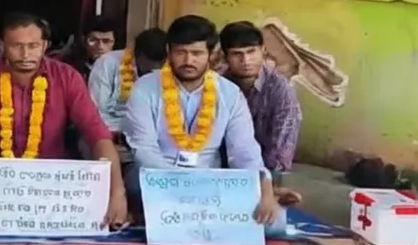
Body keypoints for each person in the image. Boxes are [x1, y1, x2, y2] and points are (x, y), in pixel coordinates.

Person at [0, 12, 128, 231]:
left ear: (44, 46)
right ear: (2, 46)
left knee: (92, 190)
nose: (25, 54)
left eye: (33, 46)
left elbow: (97, 134)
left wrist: (117, 191)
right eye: (17, 46)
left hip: (50, 177)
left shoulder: (67, 77)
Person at [123, 15, 281, 226]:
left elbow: (244, 152)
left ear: (211, 55)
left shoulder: (229, 94)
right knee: (135, 181)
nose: (188, 61)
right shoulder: (145, 88)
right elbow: (144, 152)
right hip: (156, 180)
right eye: (181, 52)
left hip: (210, 182)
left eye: (197, 53)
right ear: (169, 51)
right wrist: (188, 186)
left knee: (272, 224)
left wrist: (264, 187)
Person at [219, 20, 303, 180]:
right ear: (225, 57)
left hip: (266, 170)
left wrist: (262, 181)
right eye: (237, 54)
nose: (246, 60)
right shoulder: (218, 84)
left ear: (263, 50)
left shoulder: (280, 89)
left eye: (251, 52)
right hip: (222, 168)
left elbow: (281, 149)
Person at [87, 27, 168, 166]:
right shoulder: (107, 63)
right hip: (112, 136)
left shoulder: (171, 70)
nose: (158, 68)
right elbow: (96, 111)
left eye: (162, 63)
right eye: (153, 62)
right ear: (138, 55)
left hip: (153, 140)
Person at [58, 14, 120, 81]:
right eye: (93, 40)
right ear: (83, 40)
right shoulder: (68, 68)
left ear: (114, 42)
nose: (100, 46)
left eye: (106, 41)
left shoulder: (122, 70)